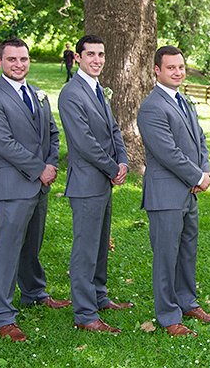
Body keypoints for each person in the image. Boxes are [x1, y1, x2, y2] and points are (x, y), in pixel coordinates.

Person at [0, 38, 69, 342]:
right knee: (7, 249)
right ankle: (0, 313)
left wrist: (51, 164)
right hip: (12, 186)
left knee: (32, 243)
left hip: (40, 184)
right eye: (12, 59)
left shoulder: (38, 95)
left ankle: (33, 292)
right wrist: (38, 168)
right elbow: (3, 143)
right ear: (0, 62)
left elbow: (53, 133)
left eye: (24, 59)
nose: (19, 65)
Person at [137, 46, 210, 337]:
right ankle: (168, 315)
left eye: (181, 67)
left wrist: (204, 170)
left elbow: (200, 139)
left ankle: (187, 302)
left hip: (188, 192)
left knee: (187, 251)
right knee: (166, 255)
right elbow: (167, 152)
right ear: (157, 70)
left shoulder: (184, 101)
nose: (177, 72)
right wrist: (196, 175)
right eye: (171, 67)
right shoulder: (152, 107)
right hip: (165, 195)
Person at [58, 34, 133, 334]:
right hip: (87, 182)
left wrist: (124, 161)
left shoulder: (99, 90)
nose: (97, 60)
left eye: (101, 54)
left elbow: (114, 130)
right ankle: (85, 314)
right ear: (77, 58)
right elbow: (85, 143)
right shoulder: (71, 93)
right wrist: (112, 167)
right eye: (90, 54)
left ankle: (100, 297)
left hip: (104, 180)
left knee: (101, 245)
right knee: (85, 250)